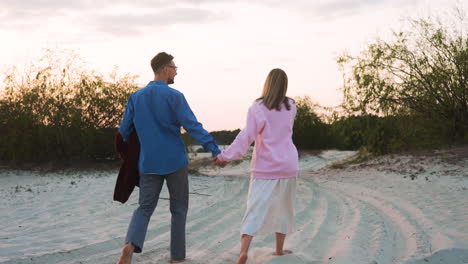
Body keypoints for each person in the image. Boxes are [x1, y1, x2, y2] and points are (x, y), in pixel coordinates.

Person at [117, 52, 221, 264]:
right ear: (165, 69)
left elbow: (124, 131)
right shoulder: (175, 96)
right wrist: (214, 149)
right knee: (179, 209)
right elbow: (192, 125)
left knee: (144, 208)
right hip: (175, 161)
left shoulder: (136, 97)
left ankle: (130, 245)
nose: (175, 72)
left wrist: (133, 150)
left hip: (148, 163)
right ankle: (177, 257)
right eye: (174, 68)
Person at [213, 68, 298, 264]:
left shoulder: (257, 107)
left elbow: (246, 137)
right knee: (284, 209)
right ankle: (278, 251)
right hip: (288, 165)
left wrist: (225, 157)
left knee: (254, 209)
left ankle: (244, 252)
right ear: (284, 85)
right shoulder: (291, 105)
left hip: (265, 167)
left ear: (267, 83)